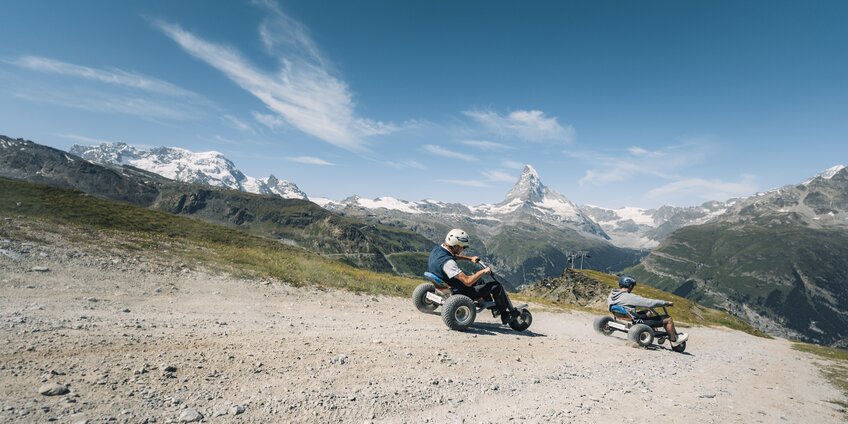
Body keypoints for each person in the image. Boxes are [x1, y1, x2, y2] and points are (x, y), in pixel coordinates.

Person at [427, 228, 517, 323]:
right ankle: (505, 315)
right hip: (458, 291)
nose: (463, 249)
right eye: (463, 247)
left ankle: (494, 308)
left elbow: (453, 256)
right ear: (456, 246)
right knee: (496, 286)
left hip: (446, 283)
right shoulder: (449, 263)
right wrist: (483, 271)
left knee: (479, 281)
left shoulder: (438, 250)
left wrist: (469, 258)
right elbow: (468, 282)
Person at [608, 275, 689, 346]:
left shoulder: (612, 294)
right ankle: (674, 340)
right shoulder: (629, 297)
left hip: (621, 317)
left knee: (648, 312)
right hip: (635, 322)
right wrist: (665, 303)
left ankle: (654, 330)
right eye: (632, 286)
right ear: (629, 286)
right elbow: (649, 303)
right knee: (668, 319)